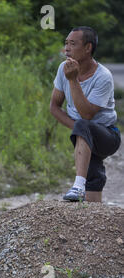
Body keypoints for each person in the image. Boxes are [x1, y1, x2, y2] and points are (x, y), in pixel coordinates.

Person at [50, 26, 121, 202]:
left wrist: (73, 80)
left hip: (108, 135)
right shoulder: (62, 69)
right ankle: (93, 223)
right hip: (84, 134)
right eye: (66, 44)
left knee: (83, 124)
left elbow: (87, 114)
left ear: (88, 48)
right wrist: (80, 130)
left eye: (72, 44)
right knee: (94, 178)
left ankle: (77, 186)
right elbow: (54, 106)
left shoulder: (103, 76)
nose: (66, 49)